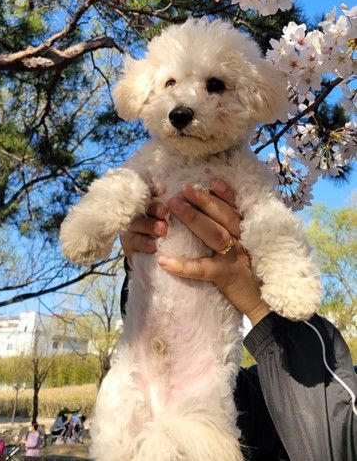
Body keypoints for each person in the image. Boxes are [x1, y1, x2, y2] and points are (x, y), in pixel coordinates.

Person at [120, 180, 357, 461]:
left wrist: (260, 308)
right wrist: (152, 267)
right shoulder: (260, 392)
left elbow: (329, 445)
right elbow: (229, 400)